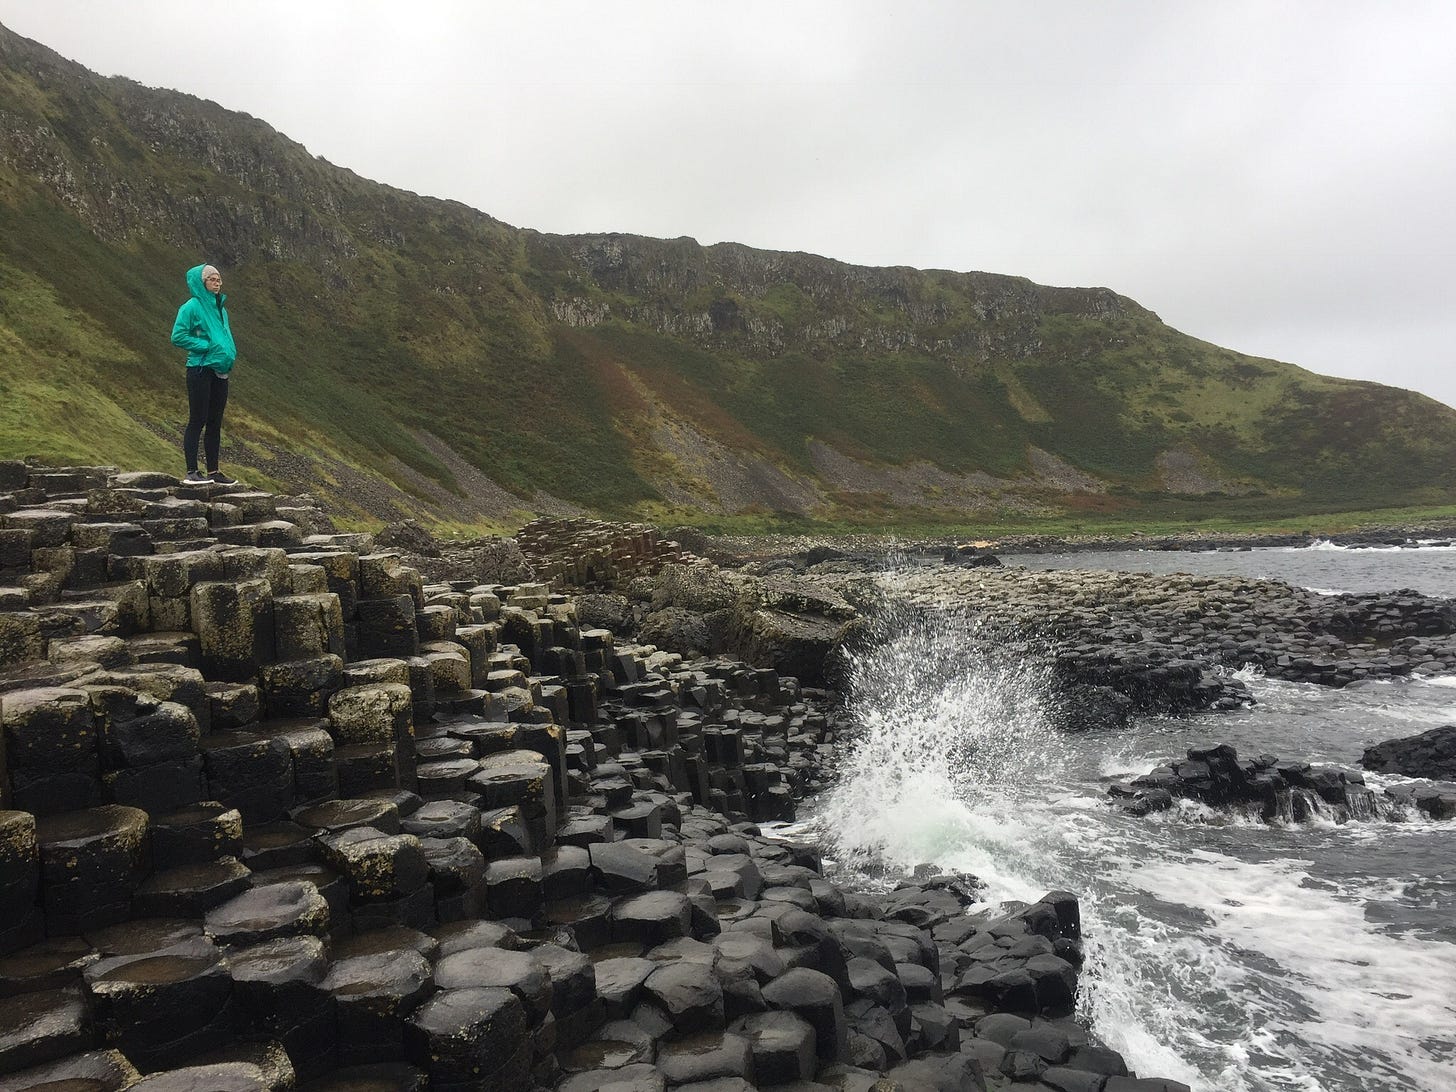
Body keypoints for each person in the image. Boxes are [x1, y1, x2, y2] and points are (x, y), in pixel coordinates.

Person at [170, 263, 239, 484]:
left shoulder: (221, 308)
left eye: (219, 279)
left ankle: (213, 472)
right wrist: (205, 346)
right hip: (200, 368)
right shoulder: (191, 306)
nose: (217, 283)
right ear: (202, 282)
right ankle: (191, 471)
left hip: (220, 370)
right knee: (197, 419)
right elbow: (178, 336)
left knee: (215, 422)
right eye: (212, 279)